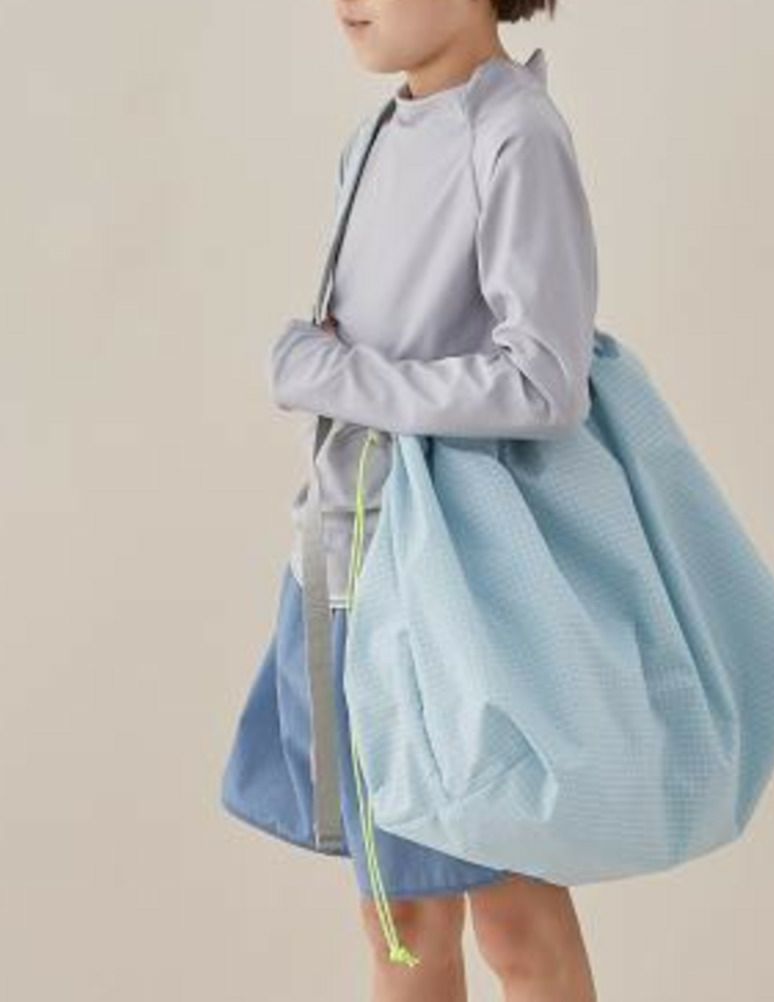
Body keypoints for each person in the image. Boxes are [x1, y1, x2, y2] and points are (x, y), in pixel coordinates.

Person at [222, 1, 600, 998]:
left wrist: (330, 373)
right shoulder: (377, 137)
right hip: (347, 563)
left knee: (518, 921)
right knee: (401, 923)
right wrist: (332, 373)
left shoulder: (514, 133)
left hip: (455, 597)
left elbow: (546, 384)